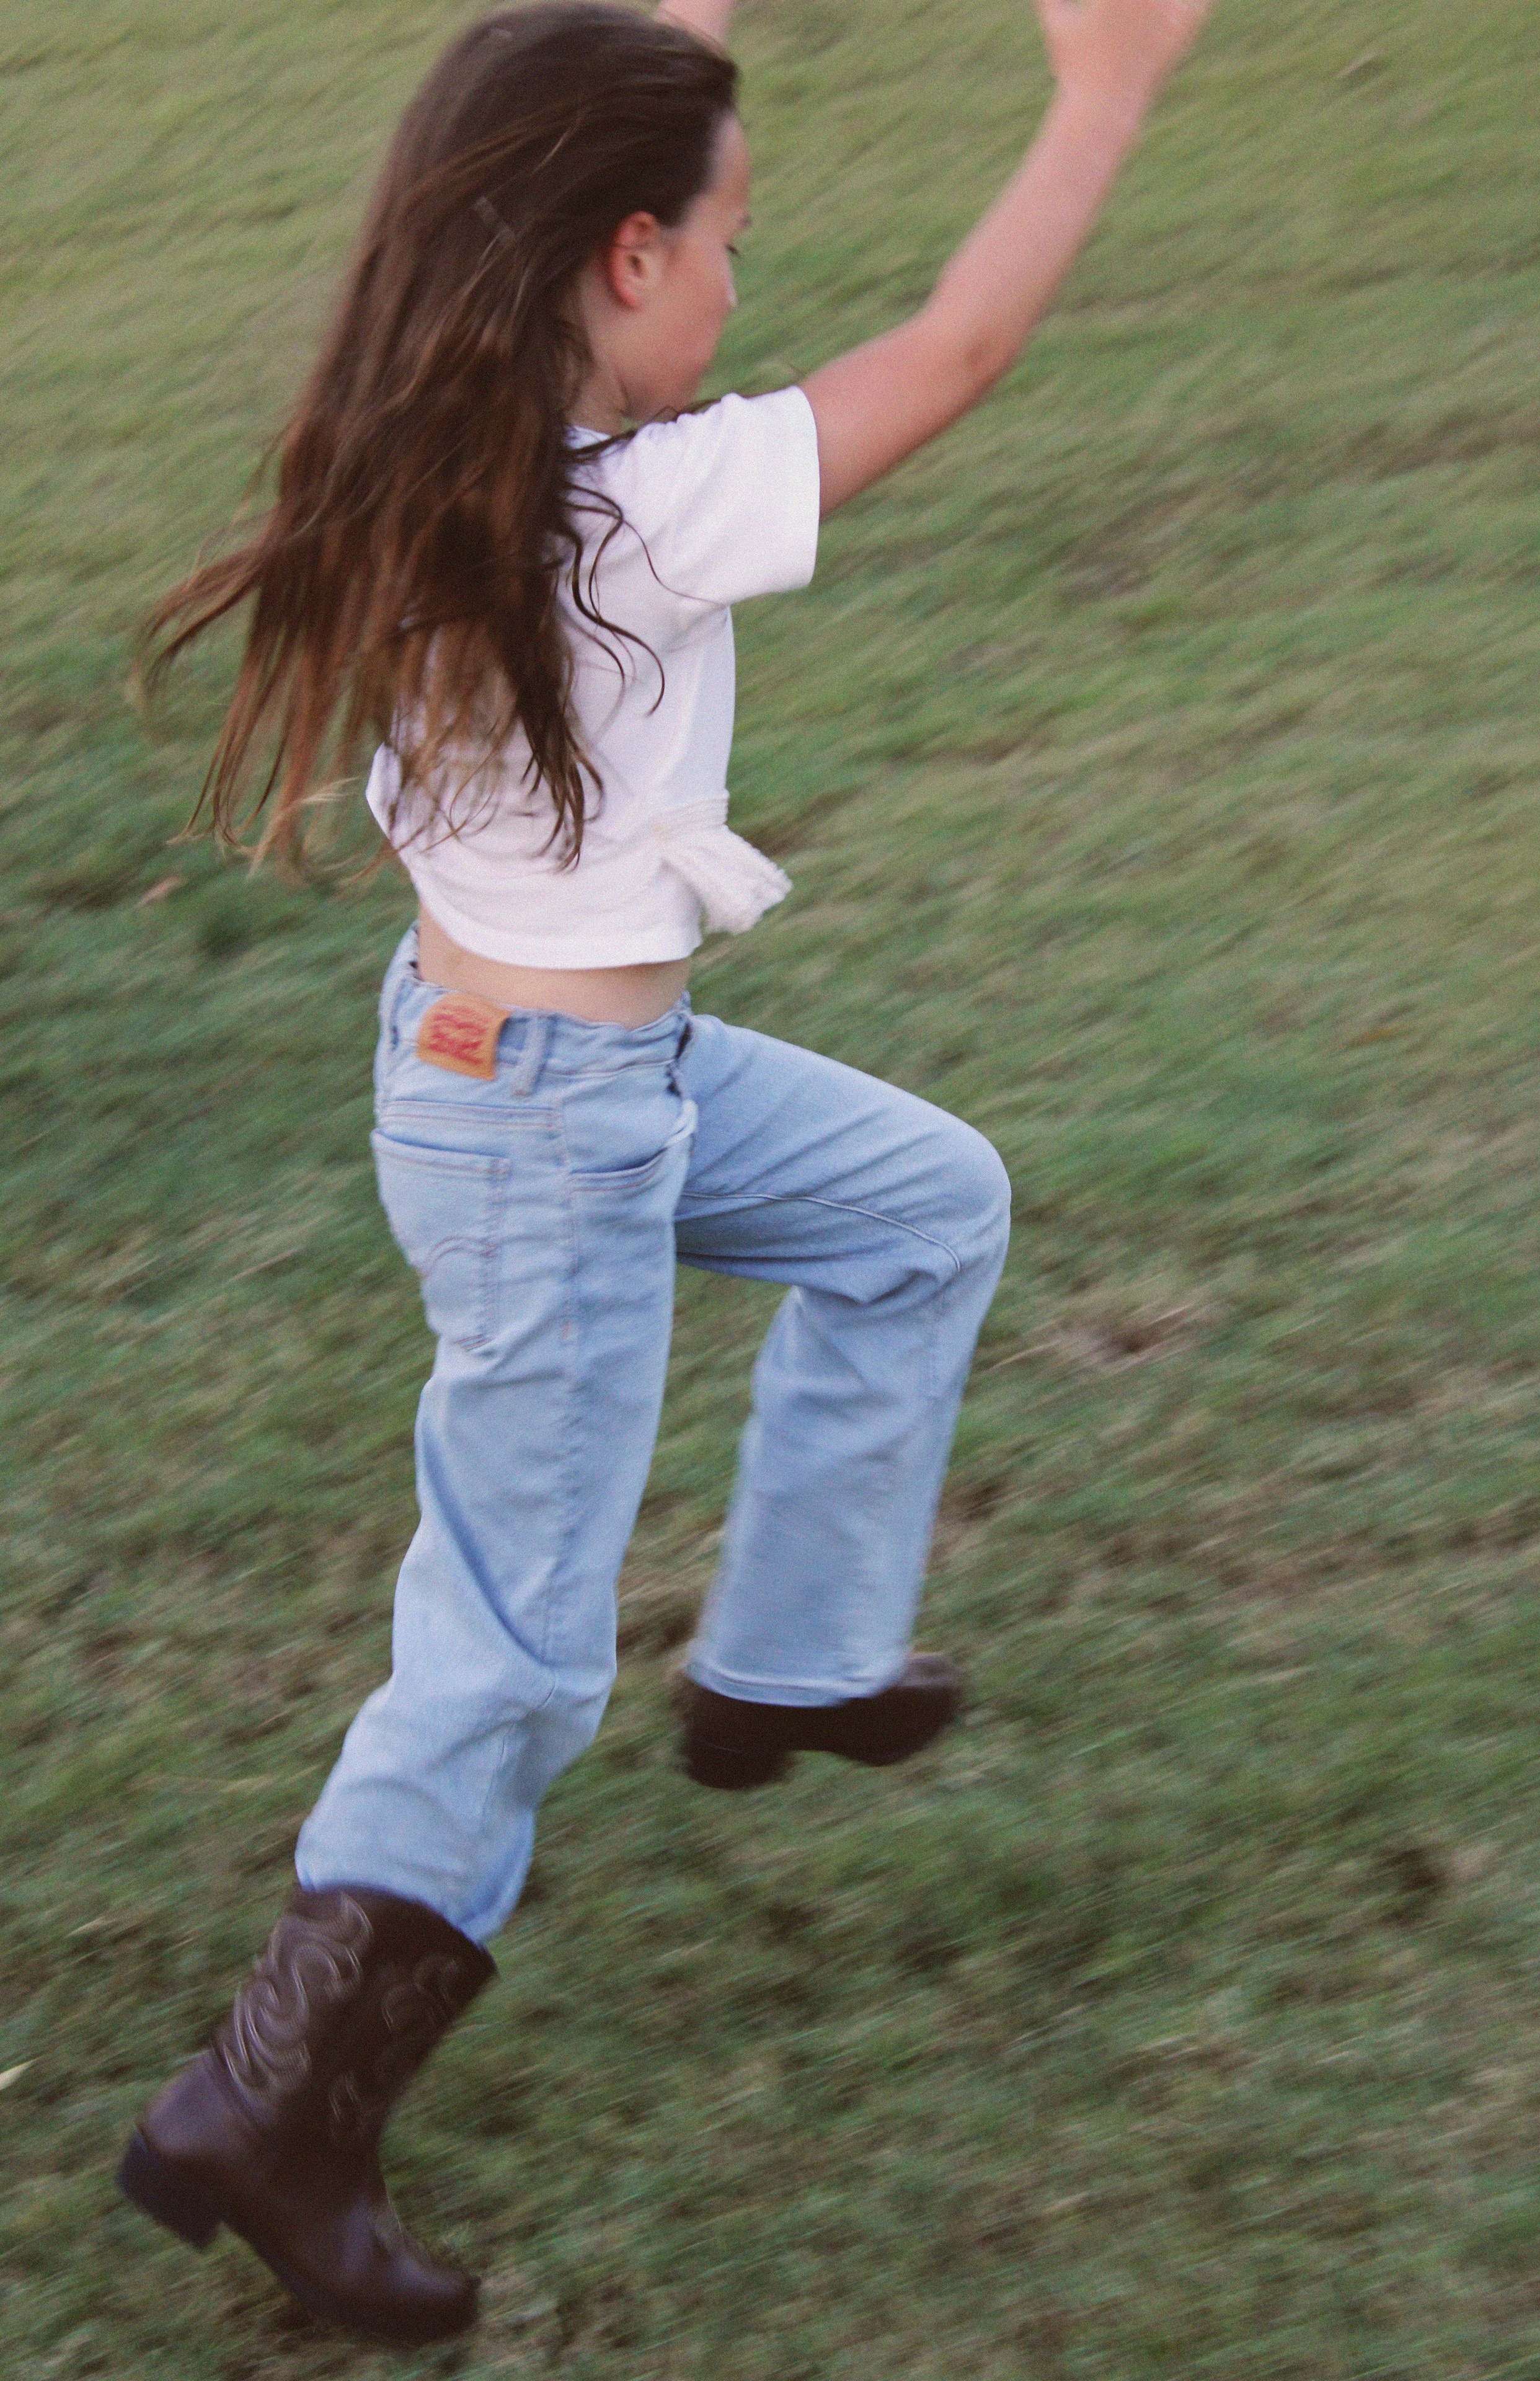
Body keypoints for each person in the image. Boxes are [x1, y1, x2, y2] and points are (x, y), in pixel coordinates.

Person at [117, 0, 1214, 2346]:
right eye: (729, 236)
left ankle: (791, 1661)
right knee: (508, 1654)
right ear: (621, 256)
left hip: (550, 1065)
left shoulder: (450, 425)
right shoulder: (634, 508)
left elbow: (586, 85)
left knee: (925, 1201)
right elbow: (965, 345)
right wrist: (1103, 94)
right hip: (551, 1125)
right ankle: (267, 2108)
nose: (744, 281)